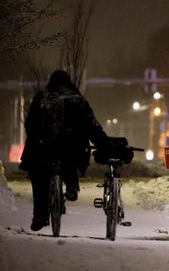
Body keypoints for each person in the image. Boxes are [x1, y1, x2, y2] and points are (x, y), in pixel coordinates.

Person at [20, 70, 109, 231]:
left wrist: (37, 139)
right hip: (71, 149)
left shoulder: (42, 97)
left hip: (43, 149)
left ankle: (39, 217)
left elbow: (29, 124)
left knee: (40, 178)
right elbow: (91, 126)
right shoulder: (78, 100)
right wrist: (105, 144)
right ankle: (72, 185)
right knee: (71, 156)